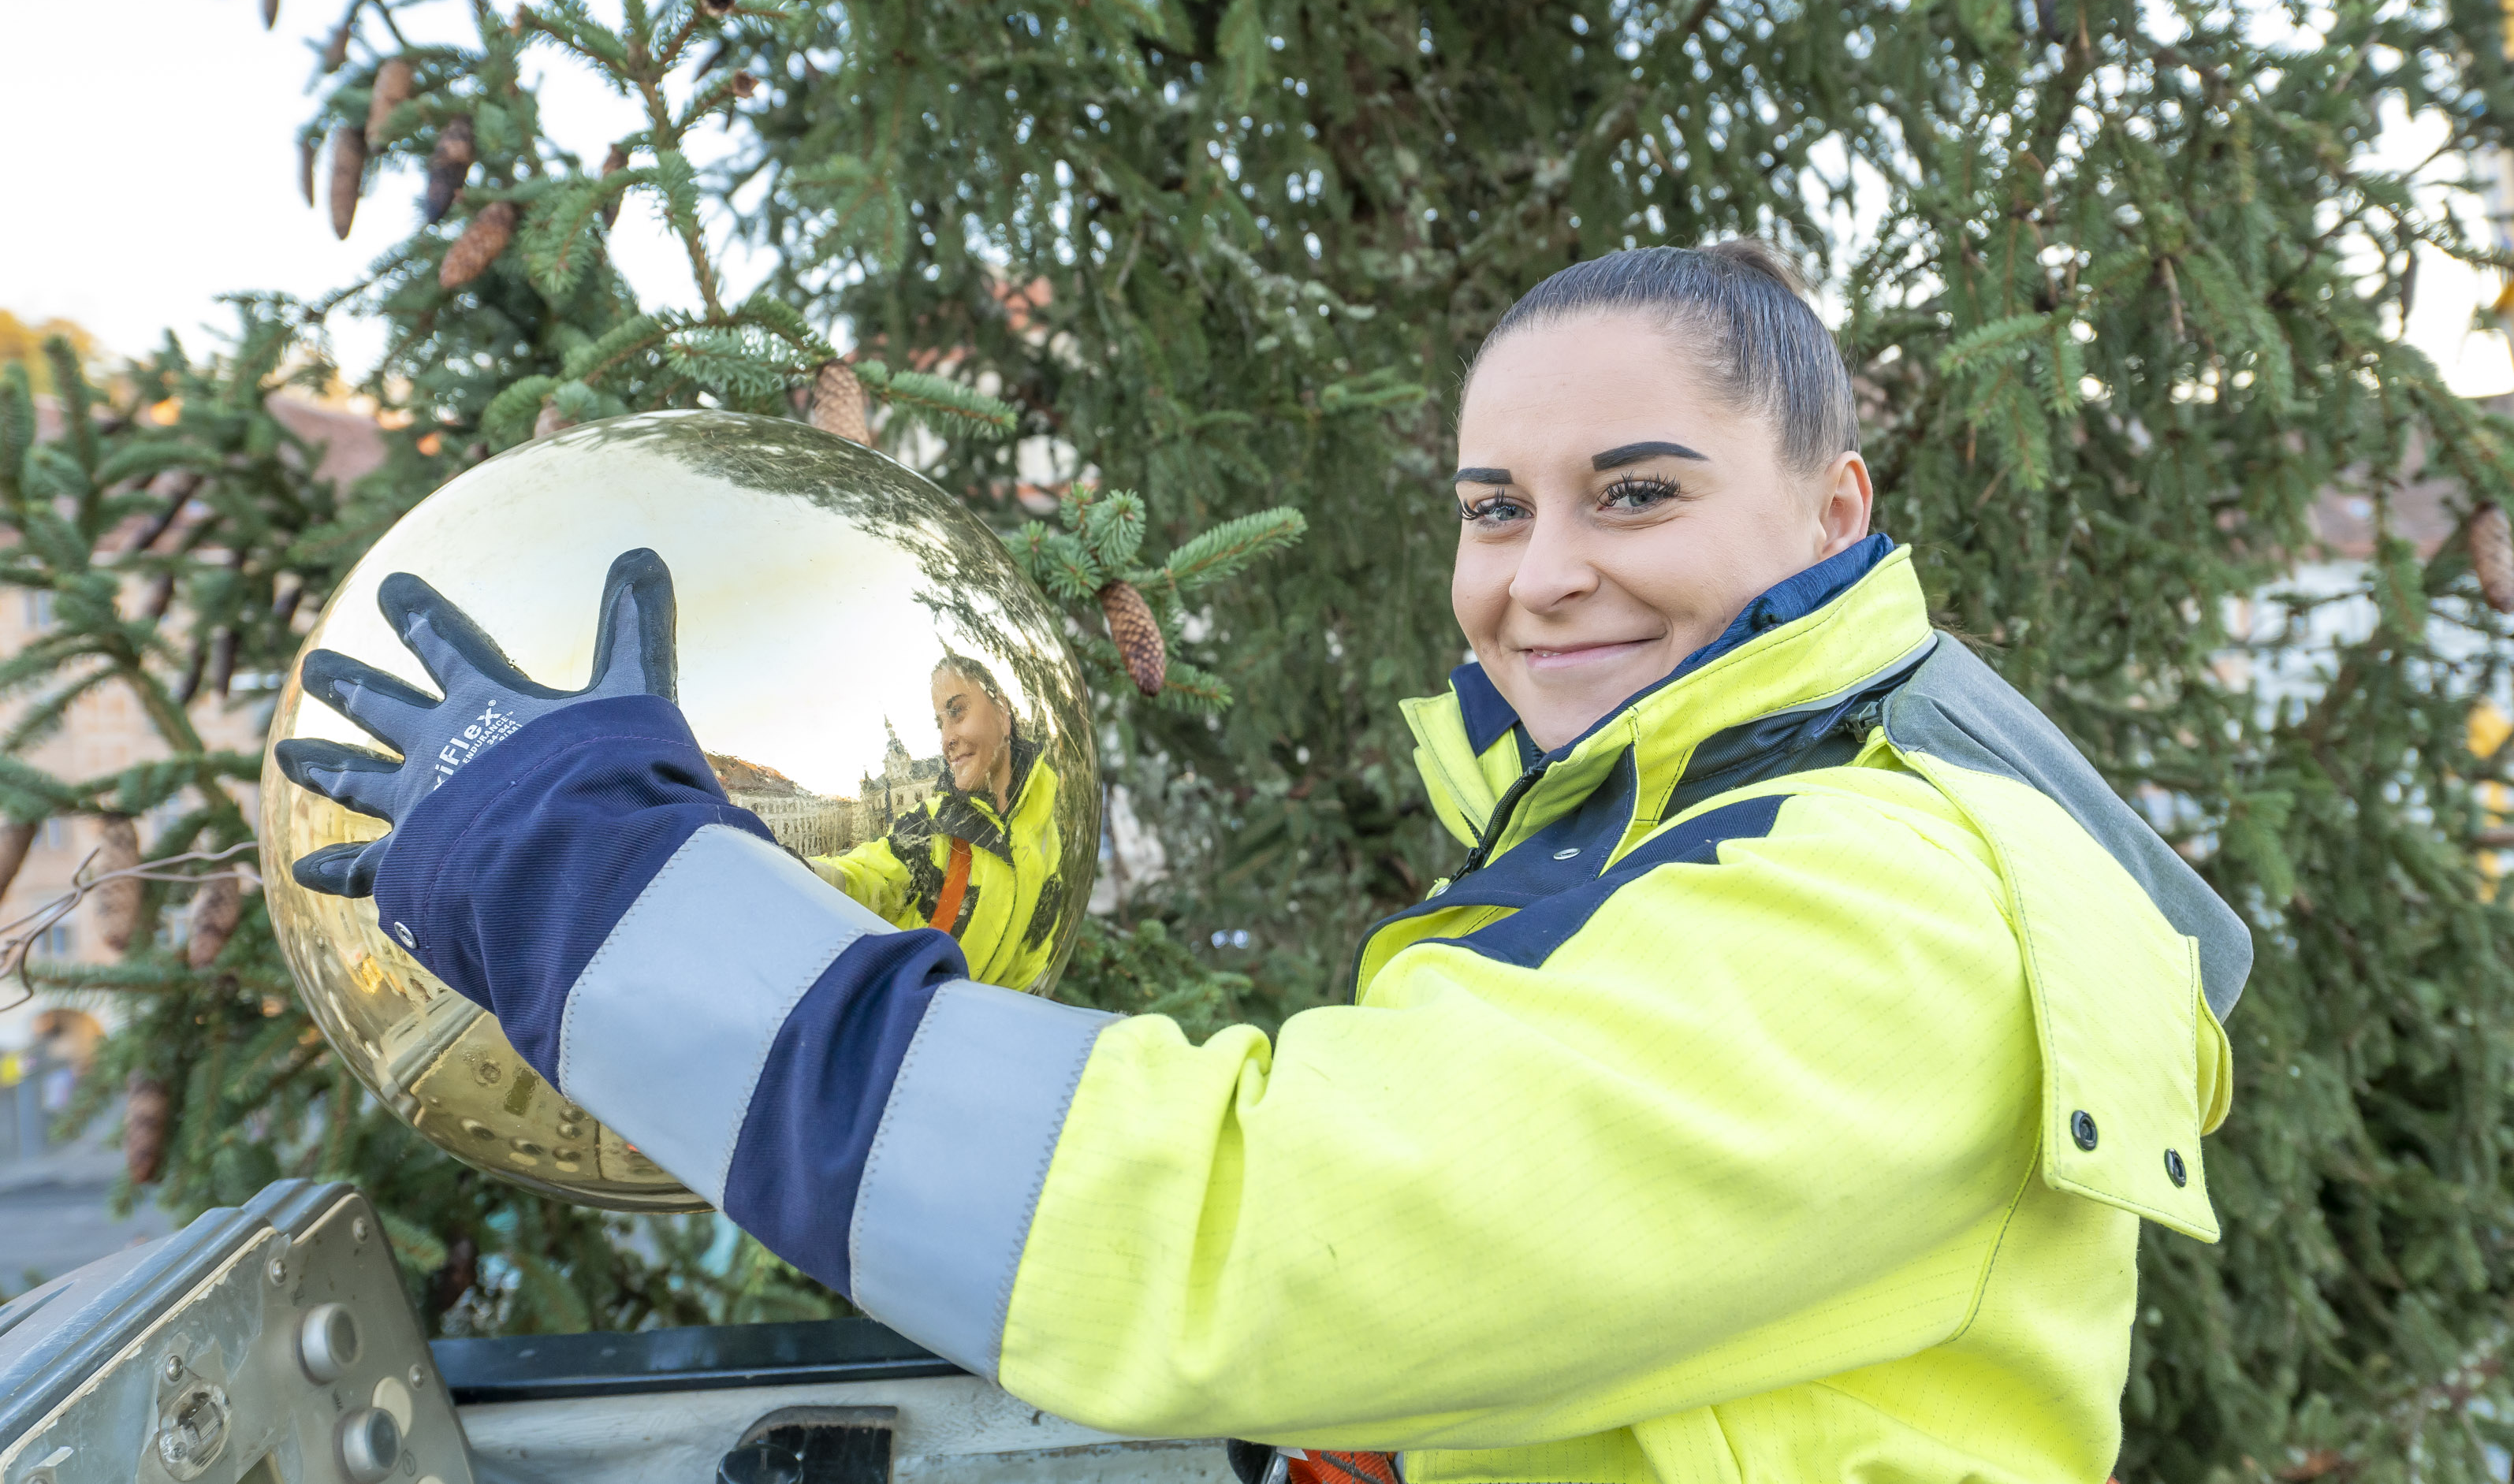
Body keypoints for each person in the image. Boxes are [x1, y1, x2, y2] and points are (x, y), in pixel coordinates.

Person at [278, 241, 2245, 1484]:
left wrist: (592, 884)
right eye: (1494, 506)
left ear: (1830, 511)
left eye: (1632, 493)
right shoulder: (1672, 830)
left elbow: (1240, 1230)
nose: (1537, 572)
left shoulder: (1879, 907)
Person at [813, 655, 1065, 990]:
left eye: (957, 712)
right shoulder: (932, 825)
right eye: (940, 724)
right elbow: (870, 873)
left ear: (1003, 715)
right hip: (921, 1023)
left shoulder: (1047, 822)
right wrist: (806, 875)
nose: (946, 739)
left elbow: (1037, 948)